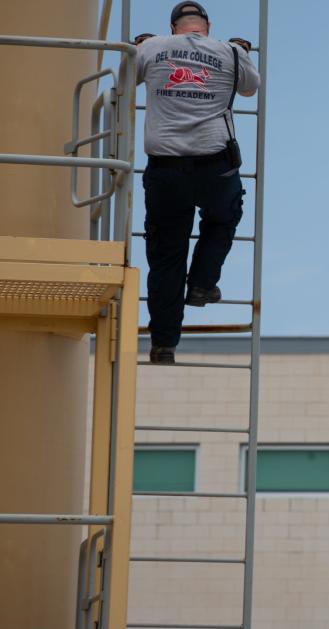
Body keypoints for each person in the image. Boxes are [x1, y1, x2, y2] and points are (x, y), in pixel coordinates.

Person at [135, 2, 259, 364]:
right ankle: (203, 283)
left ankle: (164, 344)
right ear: (207, 26)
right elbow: (251, 88)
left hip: (166, 168)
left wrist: (138, 47)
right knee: (223, 217)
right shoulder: (230, 52)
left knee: (166, 256)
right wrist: (242, 52)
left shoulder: (153, 47)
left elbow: (128, 78)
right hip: (214, 167)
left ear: (174, 27)